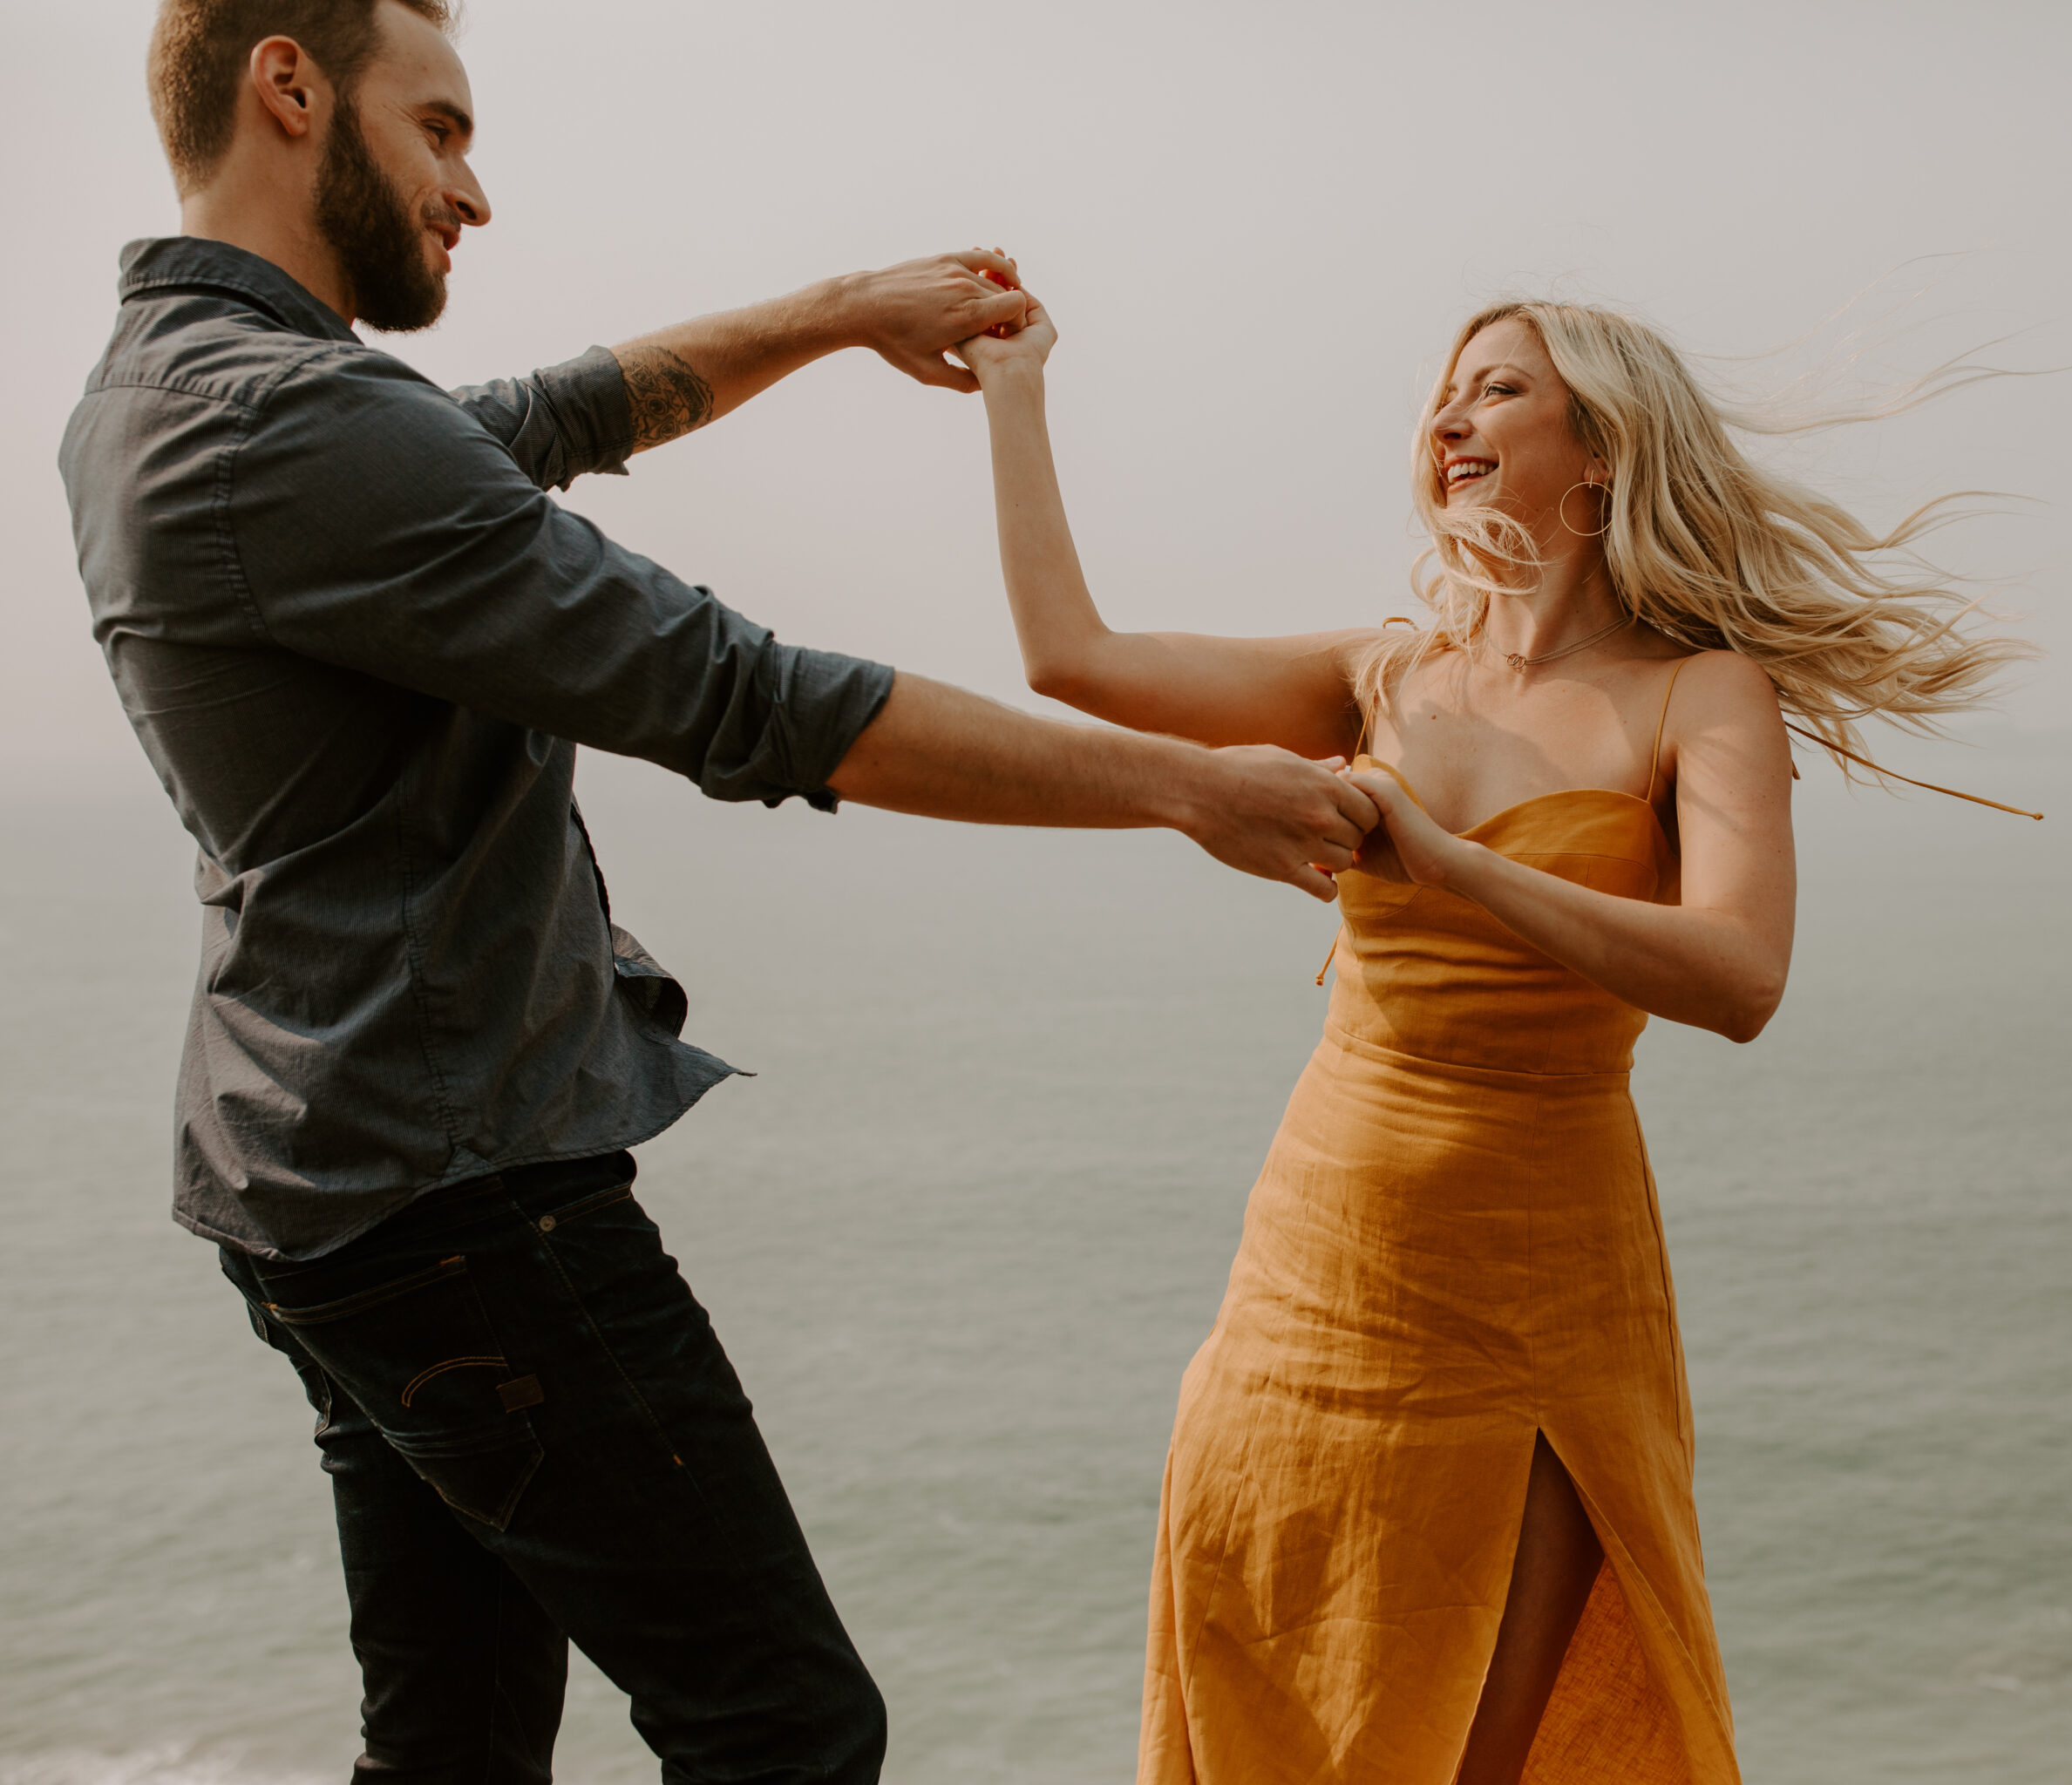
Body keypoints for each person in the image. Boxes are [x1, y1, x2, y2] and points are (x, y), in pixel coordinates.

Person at [57, 3, 1380, 1782]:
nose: (473, 191)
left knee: (449, 1748)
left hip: (326, 1181)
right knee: (783, 1727)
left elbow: (540, 418)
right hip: (458, 1203)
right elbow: (748, 697)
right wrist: (1189, 787)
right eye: (438, 128)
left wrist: (839, 312)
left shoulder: (171, 390)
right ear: (288, 87)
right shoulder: (281, 421)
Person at [950, 288, 2028, 1782]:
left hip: (1536, 1294)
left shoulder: (1701, 695)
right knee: (1271, 1720)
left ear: (1601, 448)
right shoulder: (1383, 672)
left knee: (1470, 1752)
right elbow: (1071, 657)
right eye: (1444, 398)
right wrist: (1014, 388)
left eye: (1500, 391)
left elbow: (1738, 976)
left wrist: (1447, 861)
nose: (1450, 420)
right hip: (1308, 1280)